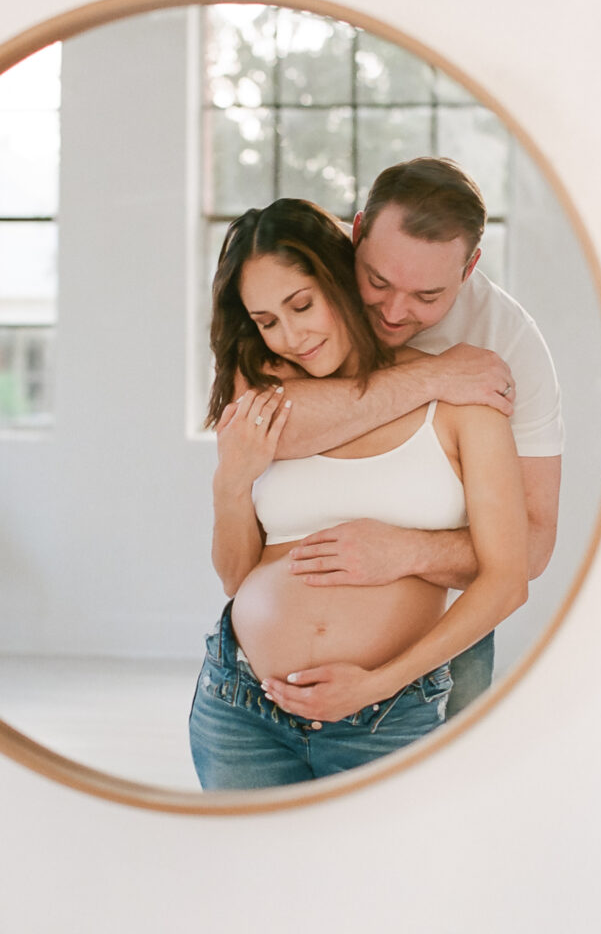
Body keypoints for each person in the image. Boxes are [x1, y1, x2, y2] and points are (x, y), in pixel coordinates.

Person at [189, 198, 528, 789]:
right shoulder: (265, 404)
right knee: (248, 880)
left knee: (393, 881)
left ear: (340, 278)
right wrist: (230, 482)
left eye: (302, 304)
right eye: (268, 321)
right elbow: (236, 576)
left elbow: (508, 581)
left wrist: (380, 683)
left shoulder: (462, 393)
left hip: (387, 713)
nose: (291, 335)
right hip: (241, 703)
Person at [232, 158, 564, 719]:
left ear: (469, 267)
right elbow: (267, 427)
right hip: (252, 684)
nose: (392, 310)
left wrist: (408, 552)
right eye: (377, 281)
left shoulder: (511, 344)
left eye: (426, 296)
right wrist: (433, 376)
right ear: (355, 233)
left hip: (441, 642)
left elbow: (531, 547)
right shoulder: (303, 282)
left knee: (438, 801)